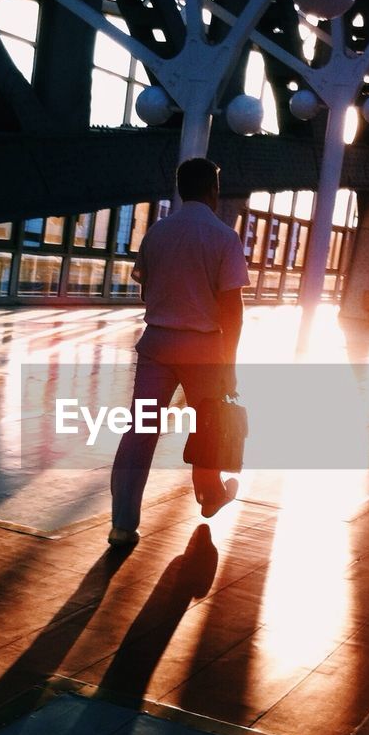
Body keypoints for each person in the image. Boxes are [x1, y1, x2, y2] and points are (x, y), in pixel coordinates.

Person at [108, 157, 249, 547]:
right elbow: (232, 311)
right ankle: (208, 494)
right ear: (213, 192)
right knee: (209, 424)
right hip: (203, 348)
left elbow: (145, 288)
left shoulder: (158, 232)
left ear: (181, 188)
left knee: (140, 430)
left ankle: (122, 524)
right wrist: (230, 364)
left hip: (157, 344)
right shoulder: (224, 237)